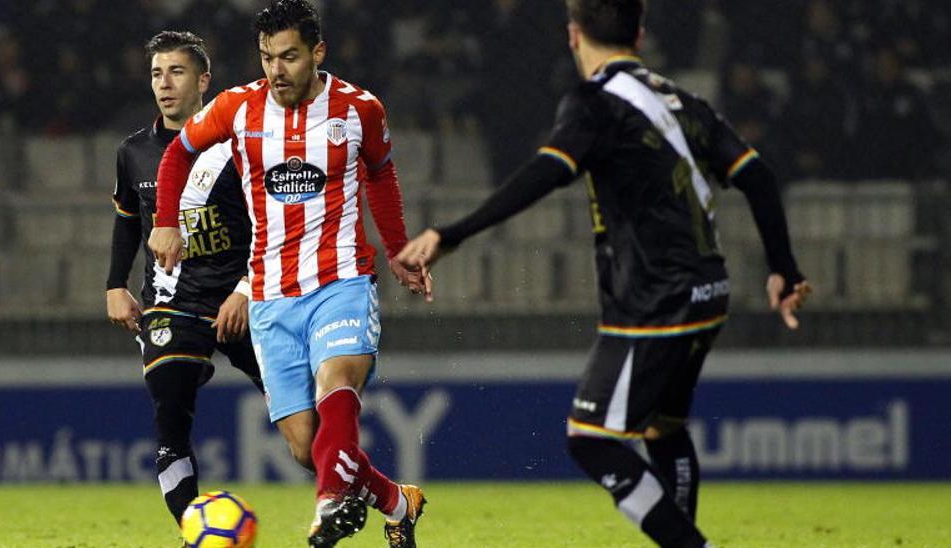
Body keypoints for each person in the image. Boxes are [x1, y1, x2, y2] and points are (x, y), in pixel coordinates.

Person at [397, 1, 811, 546]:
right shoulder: (681, 100)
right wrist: (782, 267)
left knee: (590, 439)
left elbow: (548, 170)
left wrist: (451, 234)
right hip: (709, 290)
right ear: (638, 33)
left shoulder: (595, 103)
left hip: (655, 299)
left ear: (573, 35)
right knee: (662, 428)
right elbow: (757, 176)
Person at [147, 2, 428, 546]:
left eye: (290, 57)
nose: (277, 70)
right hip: (272, 297)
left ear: (317, 53)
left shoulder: (359, 109)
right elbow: (178, 154)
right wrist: (165, 223)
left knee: (336, 380)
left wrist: (396, 249)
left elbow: (380, 173)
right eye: (267, 57)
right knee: (307, 446)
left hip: (341, 279)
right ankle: (398, 501)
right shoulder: (237, 108)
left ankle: (331, 505)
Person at [105, 30, 264, 530]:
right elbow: (130, 219)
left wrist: (247, 288)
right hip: (173, 300)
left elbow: (269, 222)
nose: (164, 84)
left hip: (242, 299)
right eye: (156, 73)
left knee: (300, 421)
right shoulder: (134, 152)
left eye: (176, 72)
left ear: (203, 81)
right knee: (170, 415)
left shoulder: (237, 145)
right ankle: (194, 533)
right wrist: (115, 284)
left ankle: (364, 496)